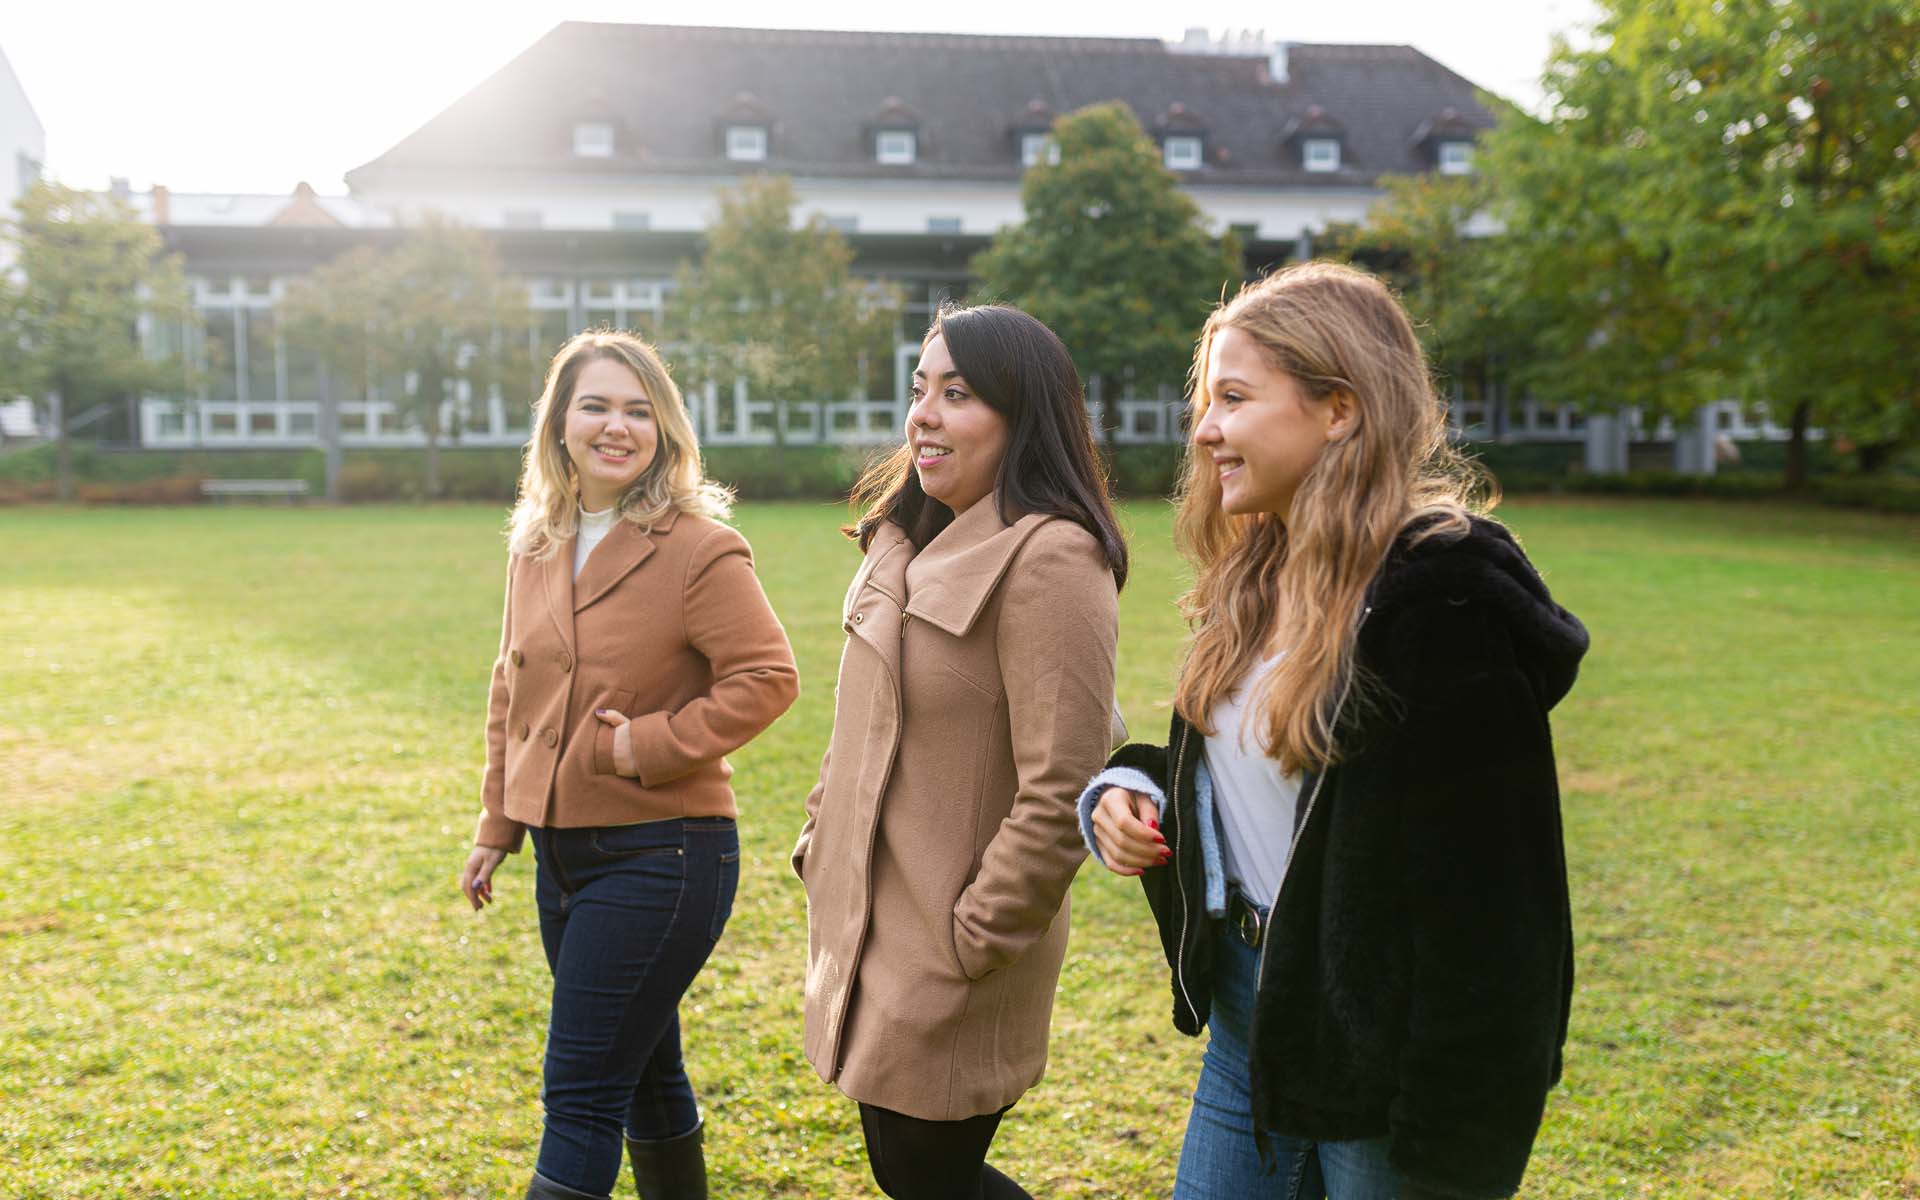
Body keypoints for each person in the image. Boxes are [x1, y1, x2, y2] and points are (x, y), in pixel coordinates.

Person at [1080, 262, 1588, 1200]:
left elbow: (1497, 921)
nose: (1205, 431)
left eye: (1233, 398)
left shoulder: (1442, 605)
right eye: (1207, 400)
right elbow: (1258, 786)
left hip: (1385, 1075)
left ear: (1339, 409)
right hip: (1248, 1024)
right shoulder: (1256, 580)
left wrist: (1453, 1150)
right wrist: (1133, 791)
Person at [793, 304, 1129, 1200]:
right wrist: (817, 845)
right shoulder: (900, 538)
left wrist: (977, 934)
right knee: (911, 1177)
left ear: (1024, 417)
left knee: (927, 1177)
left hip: (951, 951)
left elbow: (1069, 778)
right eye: (919, 390)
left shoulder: (1054, 557)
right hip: (863, 928)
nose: (924, 415)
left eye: (959, 393)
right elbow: (857, 722)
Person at [459, 330, 800, 1200]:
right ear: (561, 423)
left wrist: (640, 745)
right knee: (645, 1072)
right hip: (560, 856)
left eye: (638, 411)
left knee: (579, 1097)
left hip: (664, 854)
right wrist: (499, 823)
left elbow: (768, 678)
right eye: (597, 406)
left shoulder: (698, 547)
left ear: (666, 430)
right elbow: (512, 687)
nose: (618, 426)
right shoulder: (535, 542)